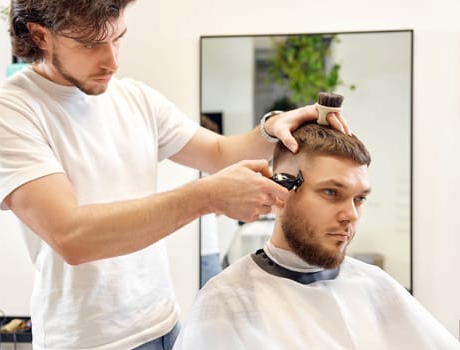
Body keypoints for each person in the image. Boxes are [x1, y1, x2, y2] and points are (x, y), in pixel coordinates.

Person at [0, 1, 350, 349]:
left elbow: (219, 152)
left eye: (118, 38)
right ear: (40, 35)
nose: (113, 61)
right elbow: (72, 237)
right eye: (91, 45)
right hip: (87, 340)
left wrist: (271, 128)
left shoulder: (136, 99)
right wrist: (207, 197)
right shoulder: (9, 112)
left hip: (164, 325)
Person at [174, 122, 460, 350]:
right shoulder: (229, 300)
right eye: (331, 192)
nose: (351, 215)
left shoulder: (375, 285)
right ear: (280, 190)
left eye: (359, 199)